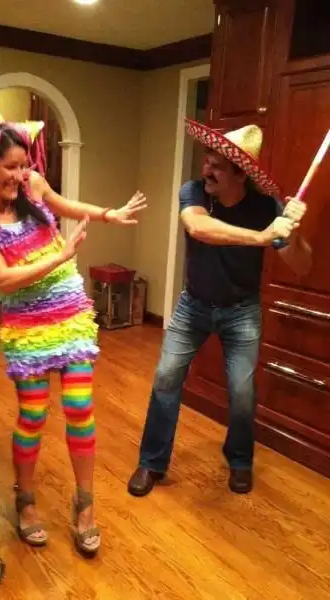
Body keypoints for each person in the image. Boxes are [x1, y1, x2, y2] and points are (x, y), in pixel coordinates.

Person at [0, 109, 147, 555]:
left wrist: (108, 214)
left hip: (71, 316)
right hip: (28, 328)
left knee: (79, 408)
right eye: (10, 167)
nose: (21, 175)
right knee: (33, 415)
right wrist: (60, 256)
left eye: (24, 165)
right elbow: (2, 279)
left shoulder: (32, 185)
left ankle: (85, 504)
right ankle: (27, 499)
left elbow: (66, 206)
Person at [128, 119, 311, 497]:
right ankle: (152, 462)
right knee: (165, 378)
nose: (206, 170)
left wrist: (292, 232)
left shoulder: (266, 208)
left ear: (240, 175)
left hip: (241, 311)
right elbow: (199, 228)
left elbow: (302, 264)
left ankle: (240, 460)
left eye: (217, 166)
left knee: (242, 393)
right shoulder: (194, 191)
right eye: (206, 160)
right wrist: (262, 237)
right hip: (193, 304)